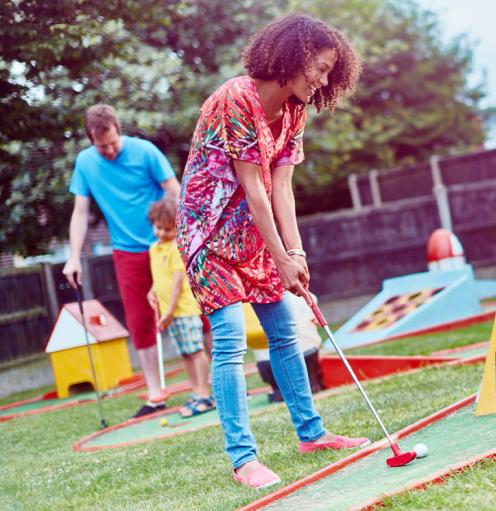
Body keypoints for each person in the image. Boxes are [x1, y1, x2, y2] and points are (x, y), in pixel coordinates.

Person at [175, 14, 368, 489]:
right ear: (291, 57)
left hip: (254, 236)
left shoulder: (295, 111)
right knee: (230, 341)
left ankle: (312, 434)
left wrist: (295, 254)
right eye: (318, 68)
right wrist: (281, 256)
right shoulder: (236, 98)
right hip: (209, 234)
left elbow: (282, 186)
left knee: (283, 334)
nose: (323, 79)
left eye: (329, 71)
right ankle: (243, 460)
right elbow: (253, 188)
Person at [63, 104, 180, 417]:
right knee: (140, 319)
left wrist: (181, 234)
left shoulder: (145, 152)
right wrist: (73, 256)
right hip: (127, 249)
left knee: (191, 310)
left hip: (166, 244)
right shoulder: (86, 164)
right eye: (103, 146)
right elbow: (80, 212)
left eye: (114, 142)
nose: (110, 150)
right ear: (91, 140)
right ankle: (155, 394)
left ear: (119, 130)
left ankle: (208, 383)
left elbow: (174, 192)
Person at [146, 197, 214, 418]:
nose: (163, 233)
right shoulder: (154, 249)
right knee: (186, 353)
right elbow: (161, 279)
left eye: (169, 229)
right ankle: (197, 393)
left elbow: (177, 284)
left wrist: (168, 313)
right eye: (159, 228)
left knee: (195, 351)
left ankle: (205, 395)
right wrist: (153, 292)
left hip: (183, 310)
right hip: (171, 313)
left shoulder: (177, 248)